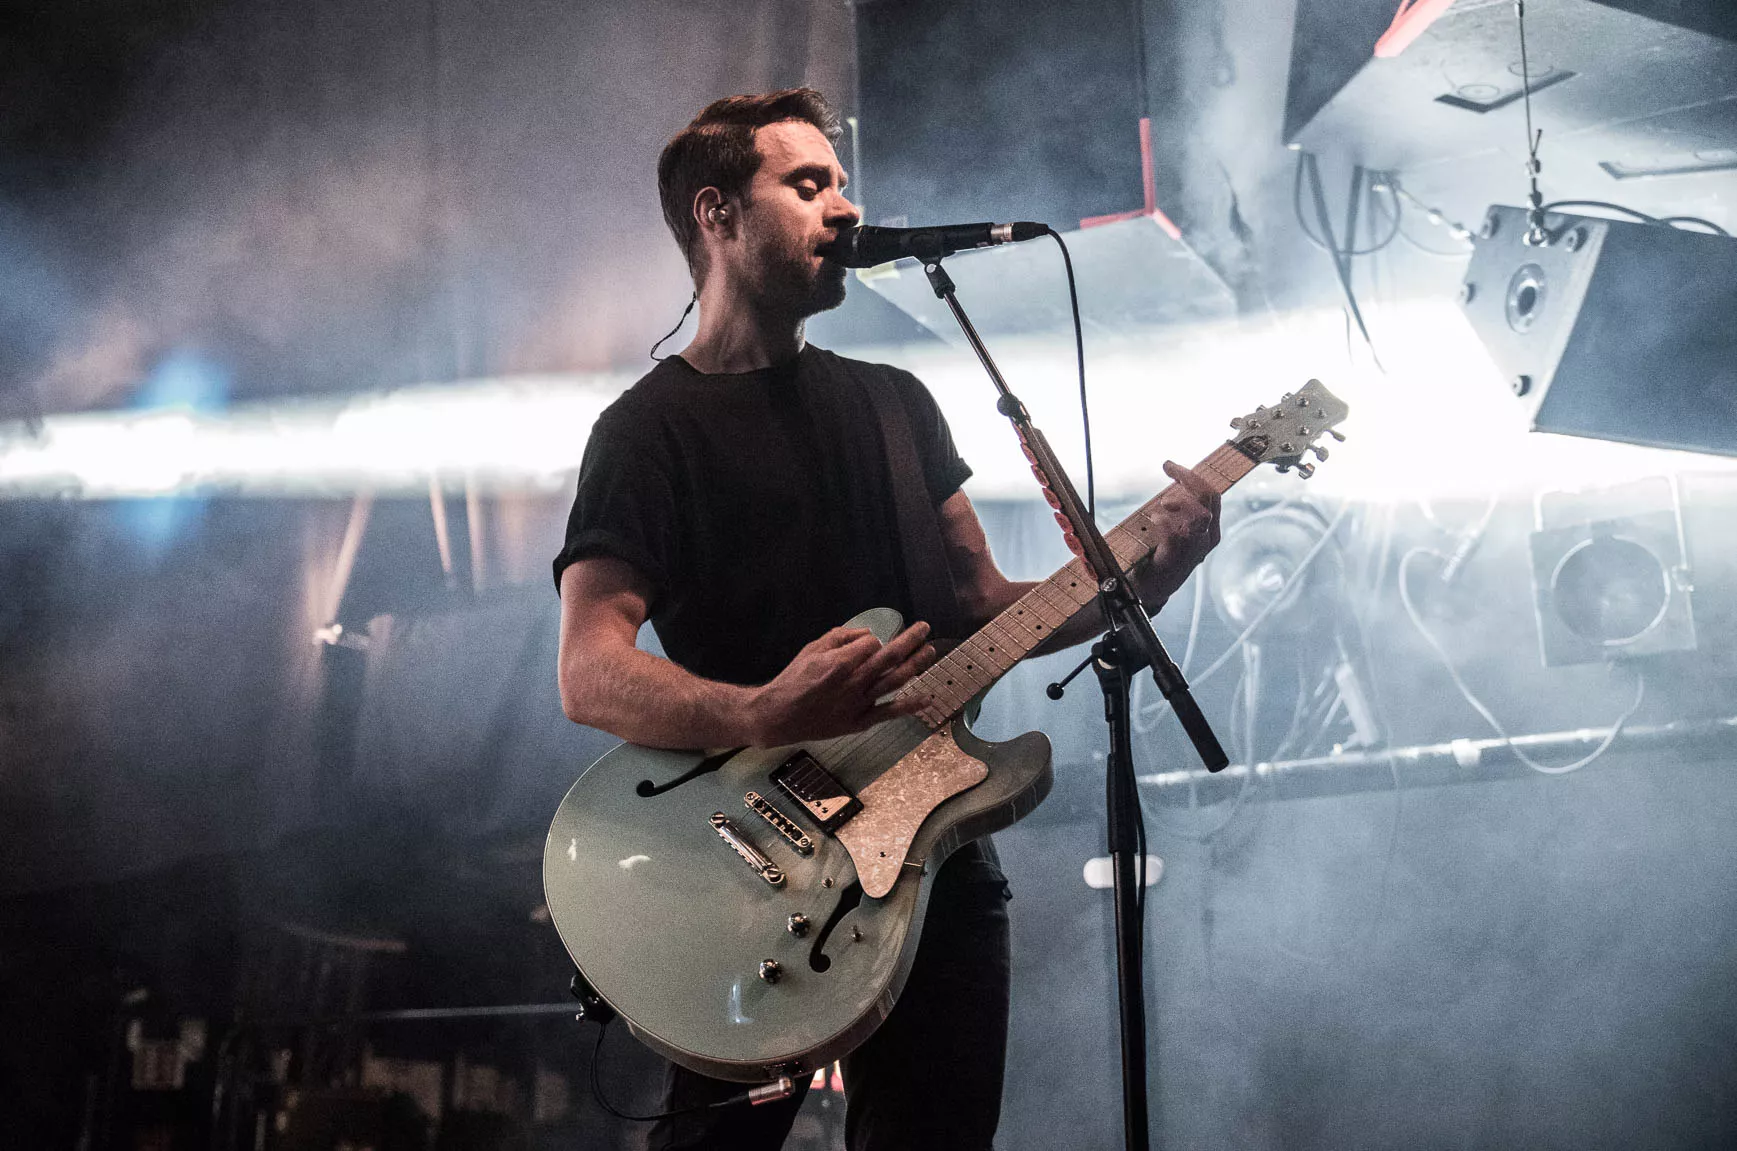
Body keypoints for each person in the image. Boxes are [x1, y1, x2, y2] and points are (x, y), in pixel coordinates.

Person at [553, 87, 1221, 1151]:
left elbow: (985, 606)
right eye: (807, 183)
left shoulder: (896, 402)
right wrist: (763, 710)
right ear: (717, 214)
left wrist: (1151, 574)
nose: (846, 206)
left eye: (843, 181)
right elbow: (589, 669)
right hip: (742, 859)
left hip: (933, 858)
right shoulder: (645, 431)